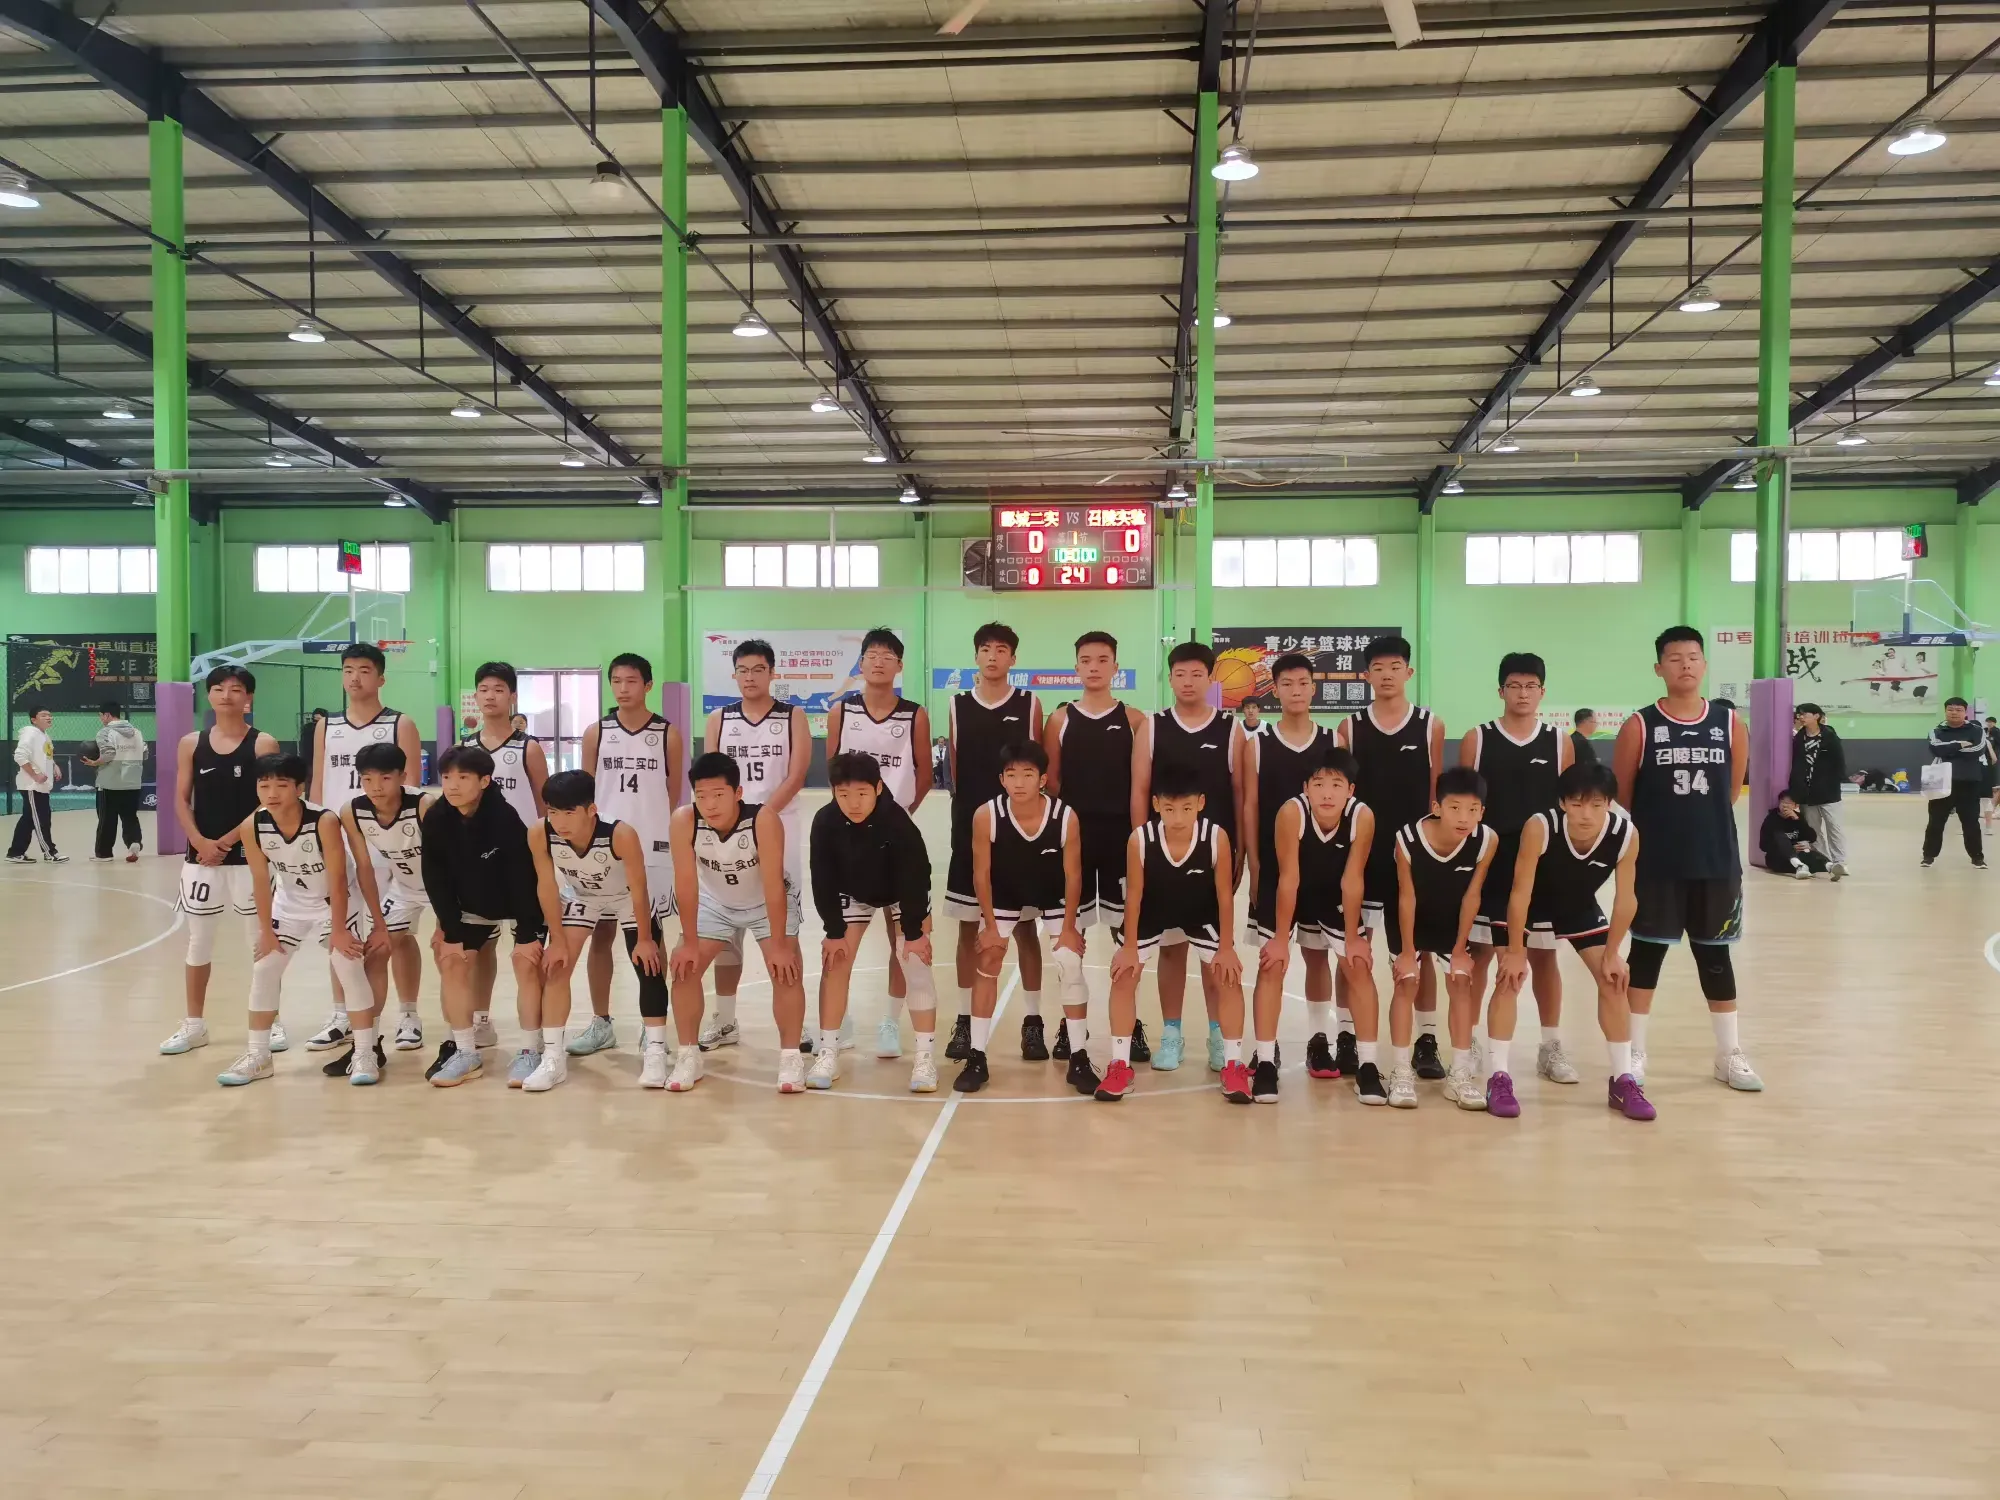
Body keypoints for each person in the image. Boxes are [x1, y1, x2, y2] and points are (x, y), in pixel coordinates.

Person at [1611, 626, 1762, 1092]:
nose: (1685, 665)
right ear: (1659, 668)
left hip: (1715, 861)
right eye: (1675, 658)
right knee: (1646, 955)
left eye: (1693, 657)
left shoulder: (1729, 723)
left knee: (1715, 957)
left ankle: (1728, 1054)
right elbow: (1624, 795)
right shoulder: (1639, 725)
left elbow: (1731, 791)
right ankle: (1634, 1052)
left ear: (1705, 664)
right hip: (1656, 863)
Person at [1497, 761, 1654, 1121]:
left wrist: (1613, 953)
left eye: (1596, 805)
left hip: (1578, 906)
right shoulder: (1540, 827)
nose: (1586, 814)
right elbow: (1520, 893)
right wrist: (1516, 951)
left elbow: (1626, 899)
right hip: (1530, 904)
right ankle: (1499, 1077)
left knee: (1613, 980)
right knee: (1510, 977)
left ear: (1609, 804)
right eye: (1577, 804)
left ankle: (1623, 1080)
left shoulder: (1626, 834)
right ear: (1562, 803)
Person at [215, 754, 374, 1088]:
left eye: (281, 785)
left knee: (348, 966)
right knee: (264, 969)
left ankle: (364, 1052)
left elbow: (338, 879)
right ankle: (259, 1056)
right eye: (264, 785)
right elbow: (261, 881)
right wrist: (265, 931)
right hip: (289, 905)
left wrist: (340, 929)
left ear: (299, 788)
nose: (272, 793)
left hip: (333, 903)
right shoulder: (252, 825)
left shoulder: (324, 821)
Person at [1101, 761, 1248, 1103]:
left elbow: (1224, 896)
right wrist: (1129, 948)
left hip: (1201, 911)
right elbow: (1134, 895)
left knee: (1228, 975)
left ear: (1200, 803)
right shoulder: (1140, 839)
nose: (1178, 817)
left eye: (1186, 808)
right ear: (1156, 805)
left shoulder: (1216, 837)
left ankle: (1233, 1064)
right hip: (1153, 910)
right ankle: (1119, 1065)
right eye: (1169, 809)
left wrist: (1226, 947)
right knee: (1123, 974)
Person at [1464, 653, 1579, 1087]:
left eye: (1531, 686)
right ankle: (1469, 1041)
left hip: (1542, 867)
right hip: (1490, 863)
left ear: (1542, 692)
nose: (1523, 693)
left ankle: (1551, 1045)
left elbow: (1570, 806)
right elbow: (1465, 804)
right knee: (1479, 955)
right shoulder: (1478, 738)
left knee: (1545, 956)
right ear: (1501, 691)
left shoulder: (1559, 742)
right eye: (1515, 685)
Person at [306, 643, 424, 1053]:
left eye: (364, 670)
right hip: (339, 844)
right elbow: (318, 786)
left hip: (388, 845)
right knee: (342, 935)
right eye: (348, 670)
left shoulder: (400, 723)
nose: (355, 678)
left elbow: (411, 788)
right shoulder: (326, 726)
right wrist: (316, 839)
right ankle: (342, 1015)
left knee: (398, 935)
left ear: (381, 677)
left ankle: (408, 1015)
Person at [1338, 635, 1446, 1078]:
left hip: (1414, 859)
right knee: (1353, 948)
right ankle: (1346, 1035)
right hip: (1364, 855)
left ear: (1409, 672)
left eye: (1395, 666)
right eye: (1378, 668)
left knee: (1419, 952)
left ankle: (1427, 1039)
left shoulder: (1430, 725)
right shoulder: (1350, 728)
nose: (1386, 675)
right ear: (1366, 675)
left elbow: (1437, 795)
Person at [667, 752, 806, 1093]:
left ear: (738, 792)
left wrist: (779, 945)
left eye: (718, 795)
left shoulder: (763, 820)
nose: (710, 804)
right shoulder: (684, 820)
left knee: (786, 969)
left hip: (765, 903)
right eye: (702, 796)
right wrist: (688, 941)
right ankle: (688, 1056)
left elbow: (773, 885)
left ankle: (791, 1058)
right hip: (715, 903)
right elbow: (685, 882)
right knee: (684, 968)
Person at [161, 666, 281, 1057]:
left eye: (236, 689)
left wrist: (228, 841)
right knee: (198, 942)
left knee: (260, 940)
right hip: (202, 858)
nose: (226, 695)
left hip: (250, 856)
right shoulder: (190, 743)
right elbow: (181, 798)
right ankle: (194, 1025)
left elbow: (270, 801)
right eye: (218, 688)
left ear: (249, 697)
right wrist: (199, 841)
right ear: (208, 695)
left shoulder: (263, 743)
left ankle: (272, 1022)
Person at [1041, 631, 1147, 1071]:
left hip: (1121, 839)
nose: (1094, 667)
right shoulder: (1059, 719)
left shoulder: (1135, 720)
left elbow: (1141, 783)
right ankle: (1071, 1026)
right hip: (1075, 840)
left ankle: (1131, 1024)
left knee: (1128, 936)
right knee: (1070, 937)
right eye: (1086, 660)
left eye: (1103, 660)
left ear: (1115, 667)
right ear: (1076, 667)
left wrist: (1140, 840)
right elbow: (1051, 780)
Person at [1255, 746, 1385, 1103]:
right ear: (1306, 788)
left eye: (1336, 785)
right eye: (1318, 784)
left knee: (1357, 964)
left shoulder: (1362, 817)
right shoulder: (1291, 813)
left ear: (1350, 790)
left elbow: (1353, 878)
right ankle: (1265, 1062)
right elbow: (1289, 878)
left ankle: (1368, 1065)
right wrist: (1280, 940)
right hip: (1287, 888)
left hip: (1335, 890)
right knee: (1272, 964)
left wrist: (1354, 936)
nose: (1327, 793)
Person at [700, 639, 811, 1053]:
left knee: (784, 925)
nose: (750, 677)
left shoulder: (792, 716)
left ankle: (796, 1024)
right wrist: (732, 820)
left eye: (758, 669)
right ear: (734, 674)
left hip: (779, 826)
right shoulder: (719, 719)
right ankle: (725, 1020)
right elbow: (710, 778)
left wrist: (760, 818)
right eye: (743, 670)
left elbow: (797, 775)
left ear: (772, 673)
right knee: (727, 925)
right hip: (726, 831)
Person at [418, 744, 551, 1088]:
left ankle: (530, 1050)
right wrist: (450, 931)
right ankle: (466, 1052)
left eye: (463, 777)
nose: (453, 785)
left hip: (520, 903)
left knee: (526, 963)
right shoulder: (436, 817)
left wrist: (527, 934)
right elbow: (435, 877)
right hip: (473, 904)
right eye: (447, 777)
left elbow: (524, 879)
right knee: (452, 960)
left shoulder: (504, 817)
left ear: (484, 781)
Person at [943, 623, 1045, 1063]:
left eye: (1001, 650)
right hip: (970, 828)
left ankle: (1033, 1021)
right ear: (976, 656)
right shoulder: (957, 705)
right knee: (970, 927)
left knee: (1025, 928)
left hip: (1019, 832)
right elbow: (955, 768)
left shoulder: (1029, 704)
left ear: (1013, 659)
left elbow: (1039, 767)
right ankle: (965, 1019)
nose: (992, 656)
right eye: (985, 649)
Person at [826, 627, 932, 1049]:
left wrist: (900, 816)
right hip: (850, 842)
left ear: (899, 665)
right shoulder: (842, 712)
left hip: (894, 840)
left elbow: (925, 773)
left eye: (887, 655)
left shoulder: (914, 715)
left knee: (901, 937)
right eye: (871, 654)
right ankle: (841, 1020)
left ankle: (890, 1021)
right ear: (861, 663)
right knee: (842, 938)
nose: (878, 661)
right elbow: (834, 772)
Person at [574, 652, 684, 1059]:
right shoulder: (596, 733)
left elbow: (673, 792)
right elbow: (586, 791)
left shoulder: (667, 734)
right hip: (603, 845)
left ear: (648, 685)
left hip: (651, 846)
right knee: (601, 934)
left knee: (649, 934)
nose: (623, 688)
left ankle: (651, 1024)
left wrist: (662, 838)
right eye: (616, 681)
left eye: (631, 681)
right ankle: (601, 1022)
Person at [809, 751, 939, 1093]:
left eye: (862, 793)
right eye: (843, 794)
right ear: (833, 791)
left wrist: (914, 933)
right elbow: (822, 878)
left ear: (878, 788)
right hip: (852, 891)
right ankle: (828, 1051)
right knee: (835, 960)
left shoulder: (897, 822)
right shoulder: (825, 822)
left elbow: (916, 877)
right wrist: (833, 932)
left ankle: (925, 1057)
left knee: (915, 962)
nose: (853, 803)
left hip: (901, 892)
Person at [525, 769, 661, 1093]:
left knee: (648, 965)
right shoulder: (540, 833)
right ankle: (553, 1058)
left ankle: (655, 1047)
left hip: (627, 896)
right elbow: (546, 886)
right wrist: (557, 939)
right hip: (583, 896)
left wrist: (645, 939)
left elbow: (639, 888)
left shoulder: (620, 834)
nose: (560, 822)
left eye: (569, 812)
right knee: (556, 966)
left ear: (591, 810)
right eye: (553, 812)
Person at [1142, 640, 1245, 1070]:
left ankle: (1218, 1034)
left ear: (1210, 679)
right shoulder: (1153, 726)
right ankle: (1172, 1034)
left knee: (1213, 948)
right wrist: (1143, 848)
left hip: (1213, 856)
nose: (1188, 681)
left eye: (1197, 674)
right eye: (1180, 674)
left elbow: (1240, 793)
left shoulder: (1230, 729)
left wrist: (1240, 850)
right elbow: (1139, 791)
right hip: (1164, 853)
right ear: (1170, 679)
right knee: (1171, 948)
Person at [963, 740, 1087, 1094]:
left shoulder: (1065, 816)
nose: (1019, 782)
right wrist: (990, 926)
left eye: (1028, 774)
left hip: (1052, 892)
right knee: (989, 957)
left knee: (1069, 959)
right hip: (1006, 893)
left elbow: (1073, 875)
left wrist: (1069, 928)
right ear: (1001, 779)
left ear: (1042, 779)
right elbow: (981, 873)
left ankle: (1079, 1057)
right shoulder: (986, 815)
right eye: (1011, 775)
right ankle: (976, 1056)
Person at [1242, 652, 1341, 1076]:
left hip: (1323, 869)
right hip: (1274, 868)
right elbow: (1249, 806)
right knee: (1271, 957)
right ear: (1275, 690)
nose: (1296, 691)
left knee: (1318, 957)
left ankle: (1320, 1041)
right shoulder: (1257, 744)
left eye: (1303, 683)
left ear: (1313, 689)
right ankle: (1267, 1048)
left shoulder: (1334, 741)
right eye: (1287, 684)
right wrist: (1253, 864)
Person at [1392, 766, 1497, 1112]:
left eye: (1472, 809)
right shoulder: (1408, 838)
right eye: (1455, 808)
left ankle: (1460, 1075)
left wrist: (1460, 948)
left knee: (1462, 980)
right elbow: (1406, 896)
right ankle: (1400, 1072)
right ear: (1437, 807)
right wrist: (1408, 951)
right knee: (1407, 981)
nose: (1464, 817)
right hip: (1410, 918)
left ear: (1482, 812)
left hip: (1452, 919)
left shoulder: (1487, 840)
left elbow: (1472, 895)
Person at [334, 742, 434, 1076]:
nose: (376, 787)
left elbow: (447, 862)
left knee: (453, 953)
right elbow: (364, 866)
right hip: (403, 888)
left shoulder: (424, 805)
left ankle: (432, 1020)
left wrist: (448, 921)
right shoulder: (353, 811)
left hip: (444, 887)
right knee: (378, 950)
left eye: (385, 778)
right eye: (367, 779)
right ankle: (370, 1040)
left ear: (402, 777)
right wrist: (378, 923)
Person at [462, 662, 548, 826]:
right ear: (476, 697)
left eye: (498, 690)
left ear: (513, 697)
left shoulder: (529, 748)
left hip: (520, 838)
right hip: (475, 837)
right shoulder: (464, 747)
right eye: (484, 690)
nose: (490, 696)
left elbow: (544, 804)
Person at [1921, 695, 1991, 869]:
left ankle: (1977, 857)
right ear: (1945, 711)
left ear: (1965, 712)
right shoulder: (1936, 730)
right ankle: (1928, 856)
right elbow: (1935, 749)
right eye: (1950, 709)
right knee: (1935, 822)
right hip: (1942, 783)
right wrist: (1960, 744)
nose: (1954, 713)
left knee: (1971, 823)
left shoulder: (1977, 730)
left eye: (1958, 710)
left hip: (1969, 782)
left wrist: (1948, 749)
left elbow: (1978, 750)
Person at [1787, 703, 1848, 878]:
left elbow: (1839, 762)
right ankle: (1825, 861)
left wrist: (1836, 781)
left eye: (1804, 714)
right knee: (1813, 830)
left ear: (1816, 716)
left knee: (1834, 827)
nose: (1801, 717)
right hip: (1807, 793)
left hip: (1829, 792)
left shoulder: (1829, 736)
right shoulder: (1798, 738)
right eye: (1799, 715)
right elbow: (1796, 766)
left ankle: (1840, 861)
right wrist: (1795, 790)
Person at [81, 701, 146, 861]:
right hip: (133, 781)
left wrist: (94, 763)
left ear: (107, 715)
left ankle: (104, 853)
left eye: (101, 716)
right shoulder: (136, 732)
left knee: (107, 819)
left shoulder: (105, 732)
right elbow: (145, 754)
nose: (101, 719)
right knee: (130, 816)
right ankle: (134, 842)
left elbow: (108, 754)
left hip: (110, 783)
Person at [8, 703, 63, 863]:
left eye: (49, 715)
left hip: (41, 787)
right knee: (42, 819)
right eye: (43, 715)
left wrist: (54, 766)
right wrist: (35, 775)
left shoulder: (45, 736)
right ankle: (50, 853)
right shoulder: (30, 734)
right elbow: (19, 756)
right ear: (33, 719)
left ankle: (15, 853)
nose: (48, 718)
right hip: (32, 785)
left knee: (29, 819)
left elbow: (46, 756)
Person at [1760, 795, 1829, 879]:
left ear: (1796, 806)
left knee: (1811, 855)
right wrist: (1790, 848)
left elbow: (1812, 837)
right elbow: (1763, 845)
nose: (1785, 806)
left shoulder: (1798, 817)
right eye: (1783, 802)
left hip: (1799, 855)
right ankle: (1798, 864)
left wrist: (1797, 820)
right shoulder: (1771, 819)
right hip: (1777, 858)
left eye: (1789, 803)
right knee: (1780, 835)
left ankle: (1830, 866)